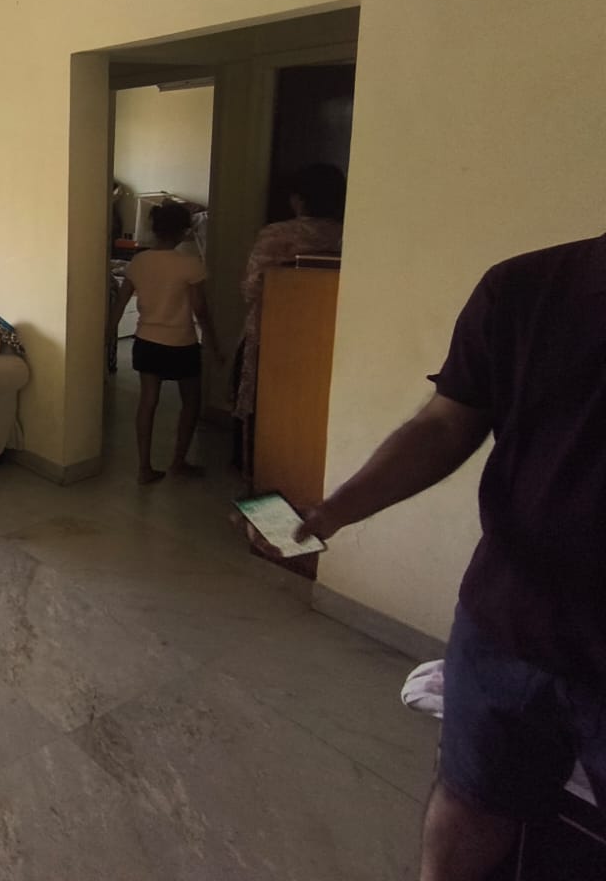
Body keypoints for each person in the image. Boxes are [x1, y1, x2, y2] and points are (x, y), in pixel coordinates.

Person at [292, 233, 606, 881]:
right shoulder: (524, 287)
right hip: (504, 620)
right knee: (471, 799)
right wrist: (334, 512)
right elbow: (443, 425)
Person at [233, 163, 347, 459]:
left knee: (265, 401)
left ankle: (259, 468)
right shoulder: (347, 234)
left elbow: (251, 287)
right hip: (330, 333)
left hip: (272, 332)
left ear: (298, 199)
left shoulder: (277, 234)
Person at [109, 202, 223, 484]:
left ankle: (144, 468)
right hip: (181, 343)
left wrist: (107, 334)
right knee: (191, 402)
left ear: (155, 228)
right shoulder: (189, 264)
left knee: (148, 402)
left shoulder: (139, 262)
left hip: (146, 341)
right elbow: (201, 310)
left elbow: (120, 303)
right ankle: (178, 462)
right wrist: (213, 344)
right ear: (184, 231)